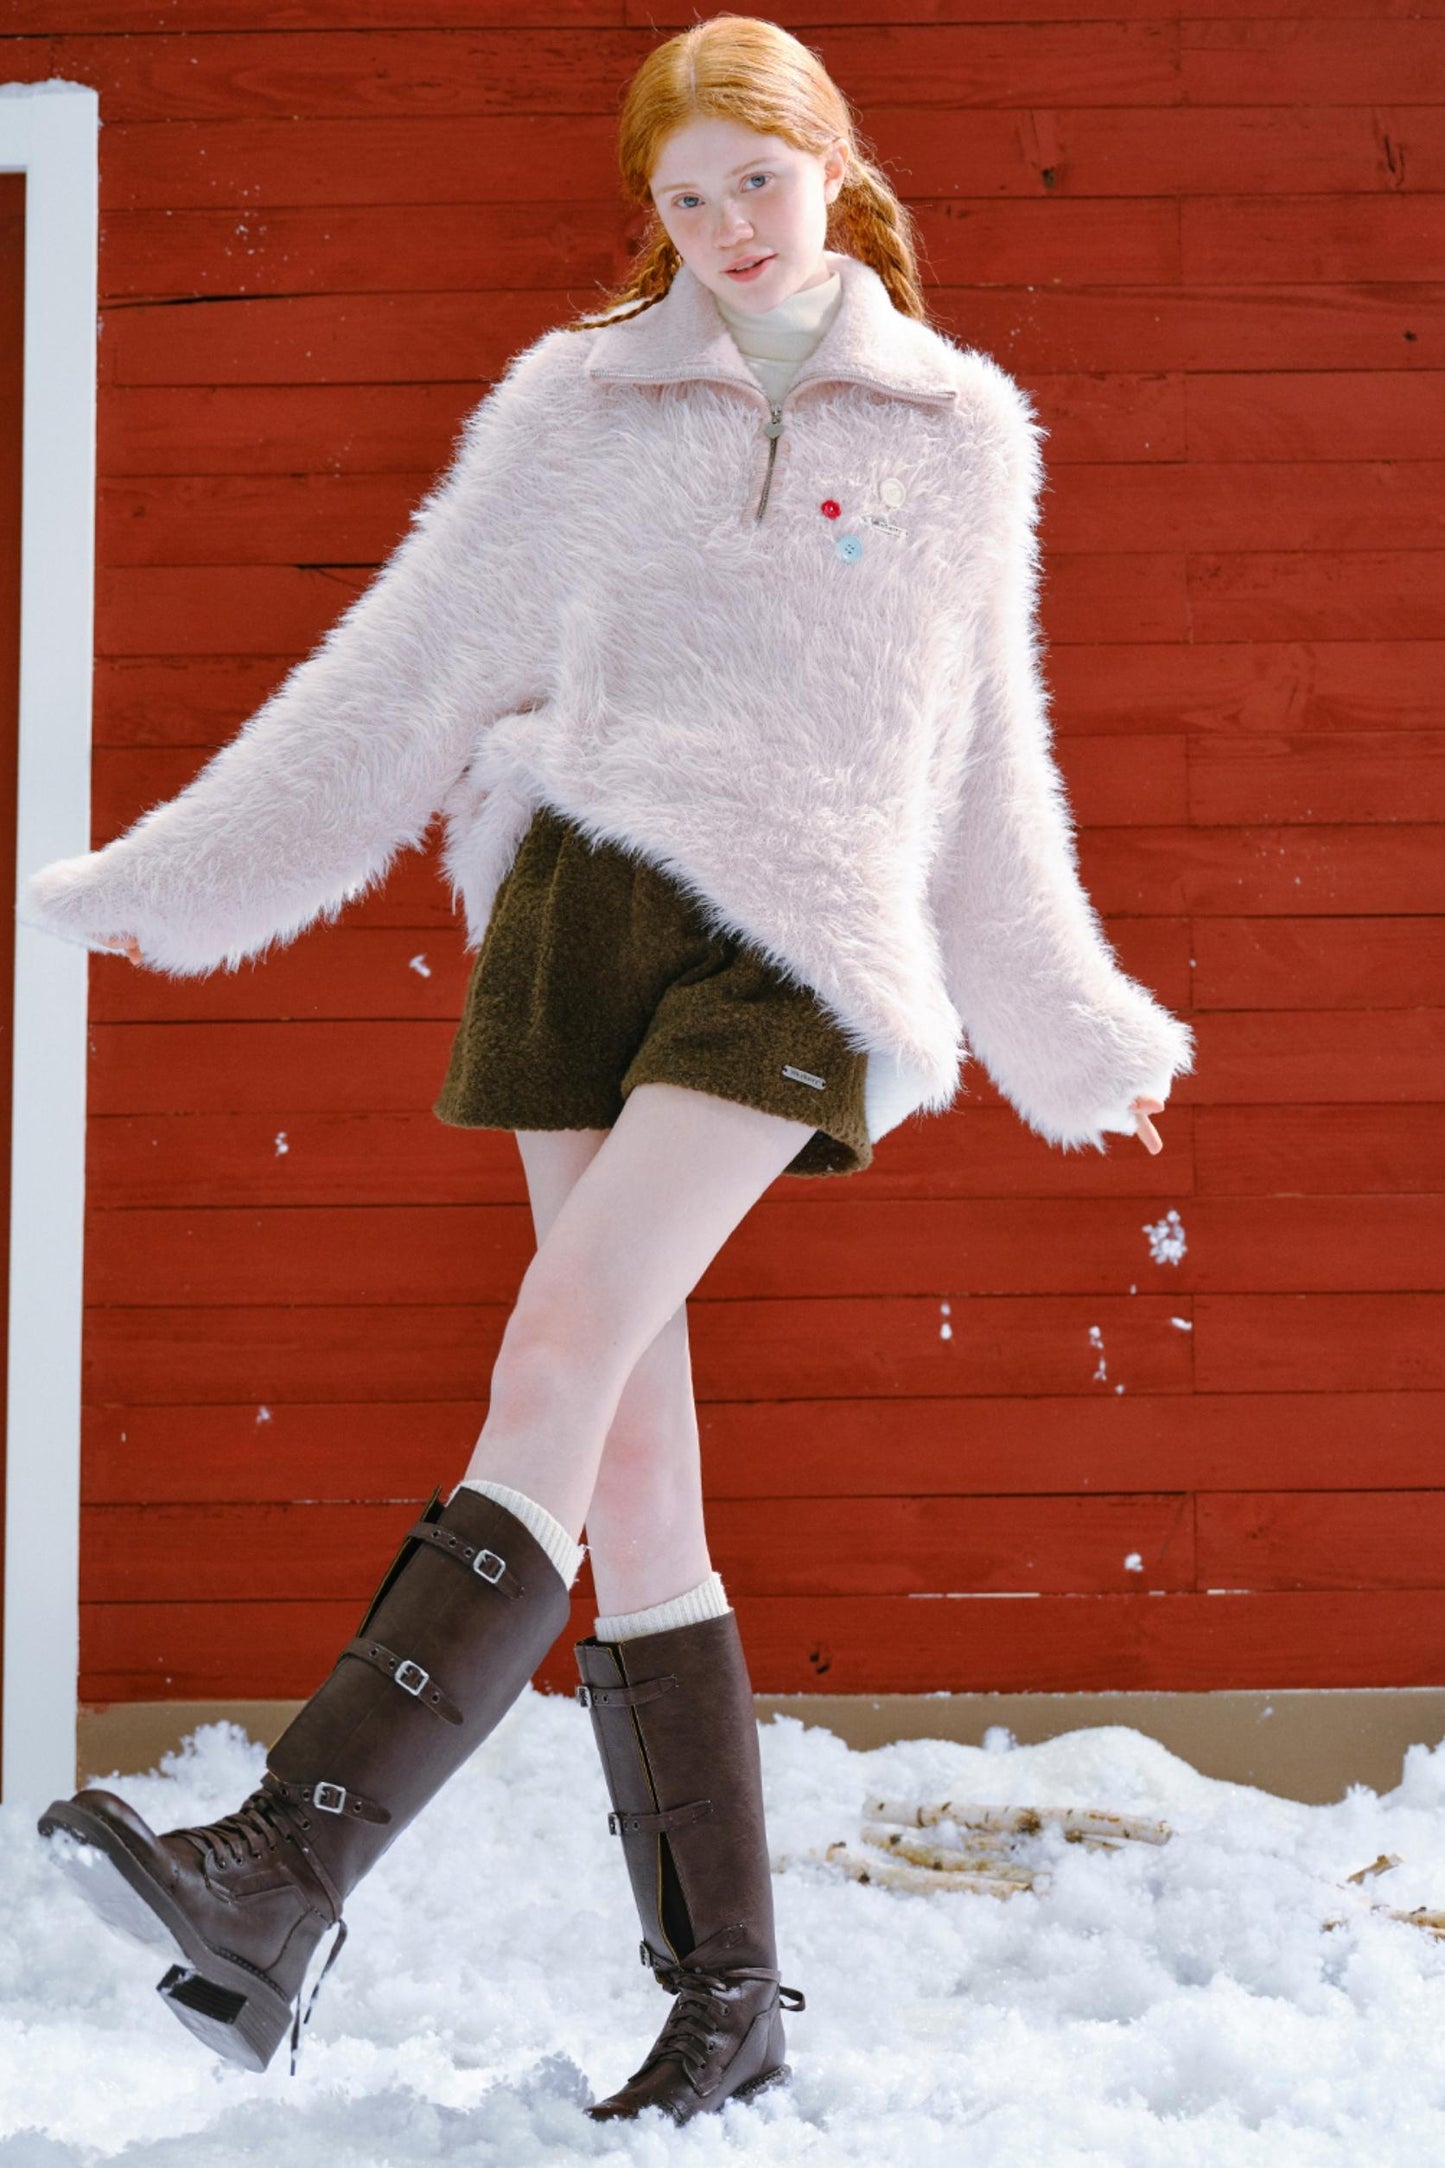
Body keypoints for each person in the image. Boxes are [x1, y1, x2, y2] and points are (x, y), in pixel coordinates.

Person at [24, 11, 1193, 2130]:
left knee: (556, 1347)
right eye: (684, 195)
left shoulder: (956, 434)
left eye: (760, 175)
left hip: (792, 945)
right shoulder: (575, 406)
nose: (729, 227)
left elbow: (983, 769)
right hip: (582, 918)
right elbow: (402, 665)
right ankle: (729, 2003)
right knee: (633, 1472)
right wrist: (169, 878)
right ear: (645, 215)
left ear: (832, 164)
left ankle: (289, 1858)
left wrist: (1070, 1019)